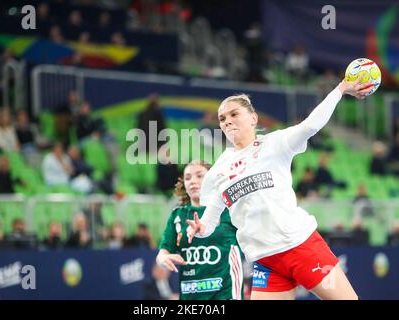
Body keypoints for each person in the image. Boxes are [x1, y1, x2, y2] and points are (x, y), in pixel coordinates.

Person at [186, 76, 371, 300]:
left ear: (253, 118)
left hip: (301, 247)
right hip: (266, 261)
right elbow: (210, 220)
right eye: (222, 118)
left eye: (234, 114)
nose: (227, 121)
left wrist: (340, 89)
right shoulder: (217, 172)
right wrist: (200, 229)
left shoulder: (274, 144)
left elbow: (311, 125)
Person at [156, 160, 244, 300]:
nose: (193, 181)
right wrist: (164, 258)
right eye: (188, 178)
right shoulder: (177, 216)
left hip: (225, 293)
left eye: (199, 175)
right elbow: (162, 254)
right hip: (190, 294)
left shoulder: (229, 211)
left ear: (212, 180)